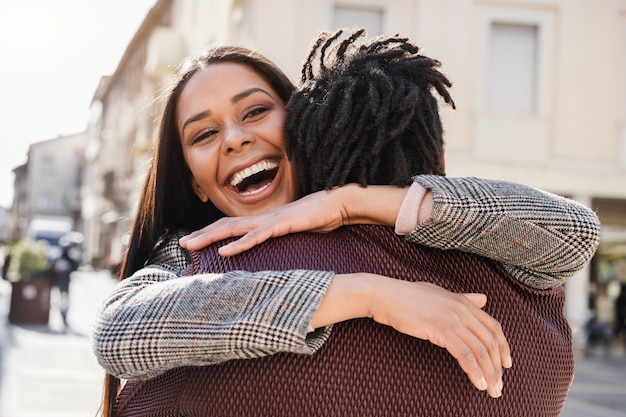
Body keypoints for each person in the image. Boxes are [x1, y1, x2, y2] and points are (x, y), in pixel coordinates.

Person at [91, 30, 600, 416]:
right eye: (203, 134)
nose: (234, 139)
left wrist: (351, 202)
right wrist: (372, 296)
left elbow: (574, 230)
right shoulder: (193, 252)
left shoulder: (412, 228)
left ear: (302, 127)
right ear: (197, 184)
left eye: (255, 112)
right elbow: (119, 332)